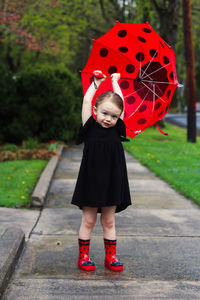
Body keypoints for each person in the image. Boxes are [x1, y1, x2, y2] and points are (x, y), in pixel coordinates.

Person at [71, 71, 131, 272]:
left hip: (112, 179)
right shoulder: (89, 126)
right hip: (91, 179)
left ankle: (111, 257)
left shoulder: (117, 128)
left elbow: (120, 101)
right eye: (104, 113)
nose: (108, 119)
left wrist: (116, 83)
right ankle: (84, 256)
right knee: (88, 220)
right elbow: (87, 100)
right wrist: (96, 83)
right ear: (96, 110)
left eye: (114, 116)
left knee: (108, 220)